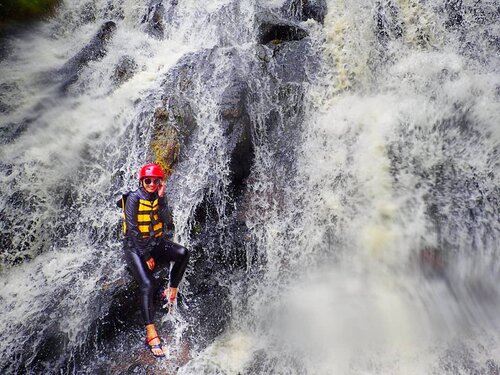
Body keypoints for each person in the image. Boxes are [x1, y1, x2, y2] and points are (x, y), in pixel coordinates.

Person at [120, 163, 190, 358]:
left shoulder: (158, 196)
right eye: (148, 180)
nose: (151, 184)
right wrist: (146, 256)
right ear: (142, 181)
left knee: (183, 253)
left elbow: (167, 220)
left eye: (155, 181)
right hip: (135, 247)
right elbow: (133, 230)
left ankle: (172, 289)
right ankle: (151, 333)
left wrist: (161, 198)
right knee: (148, 283)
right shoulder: (134, 198)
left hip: (155, 242)